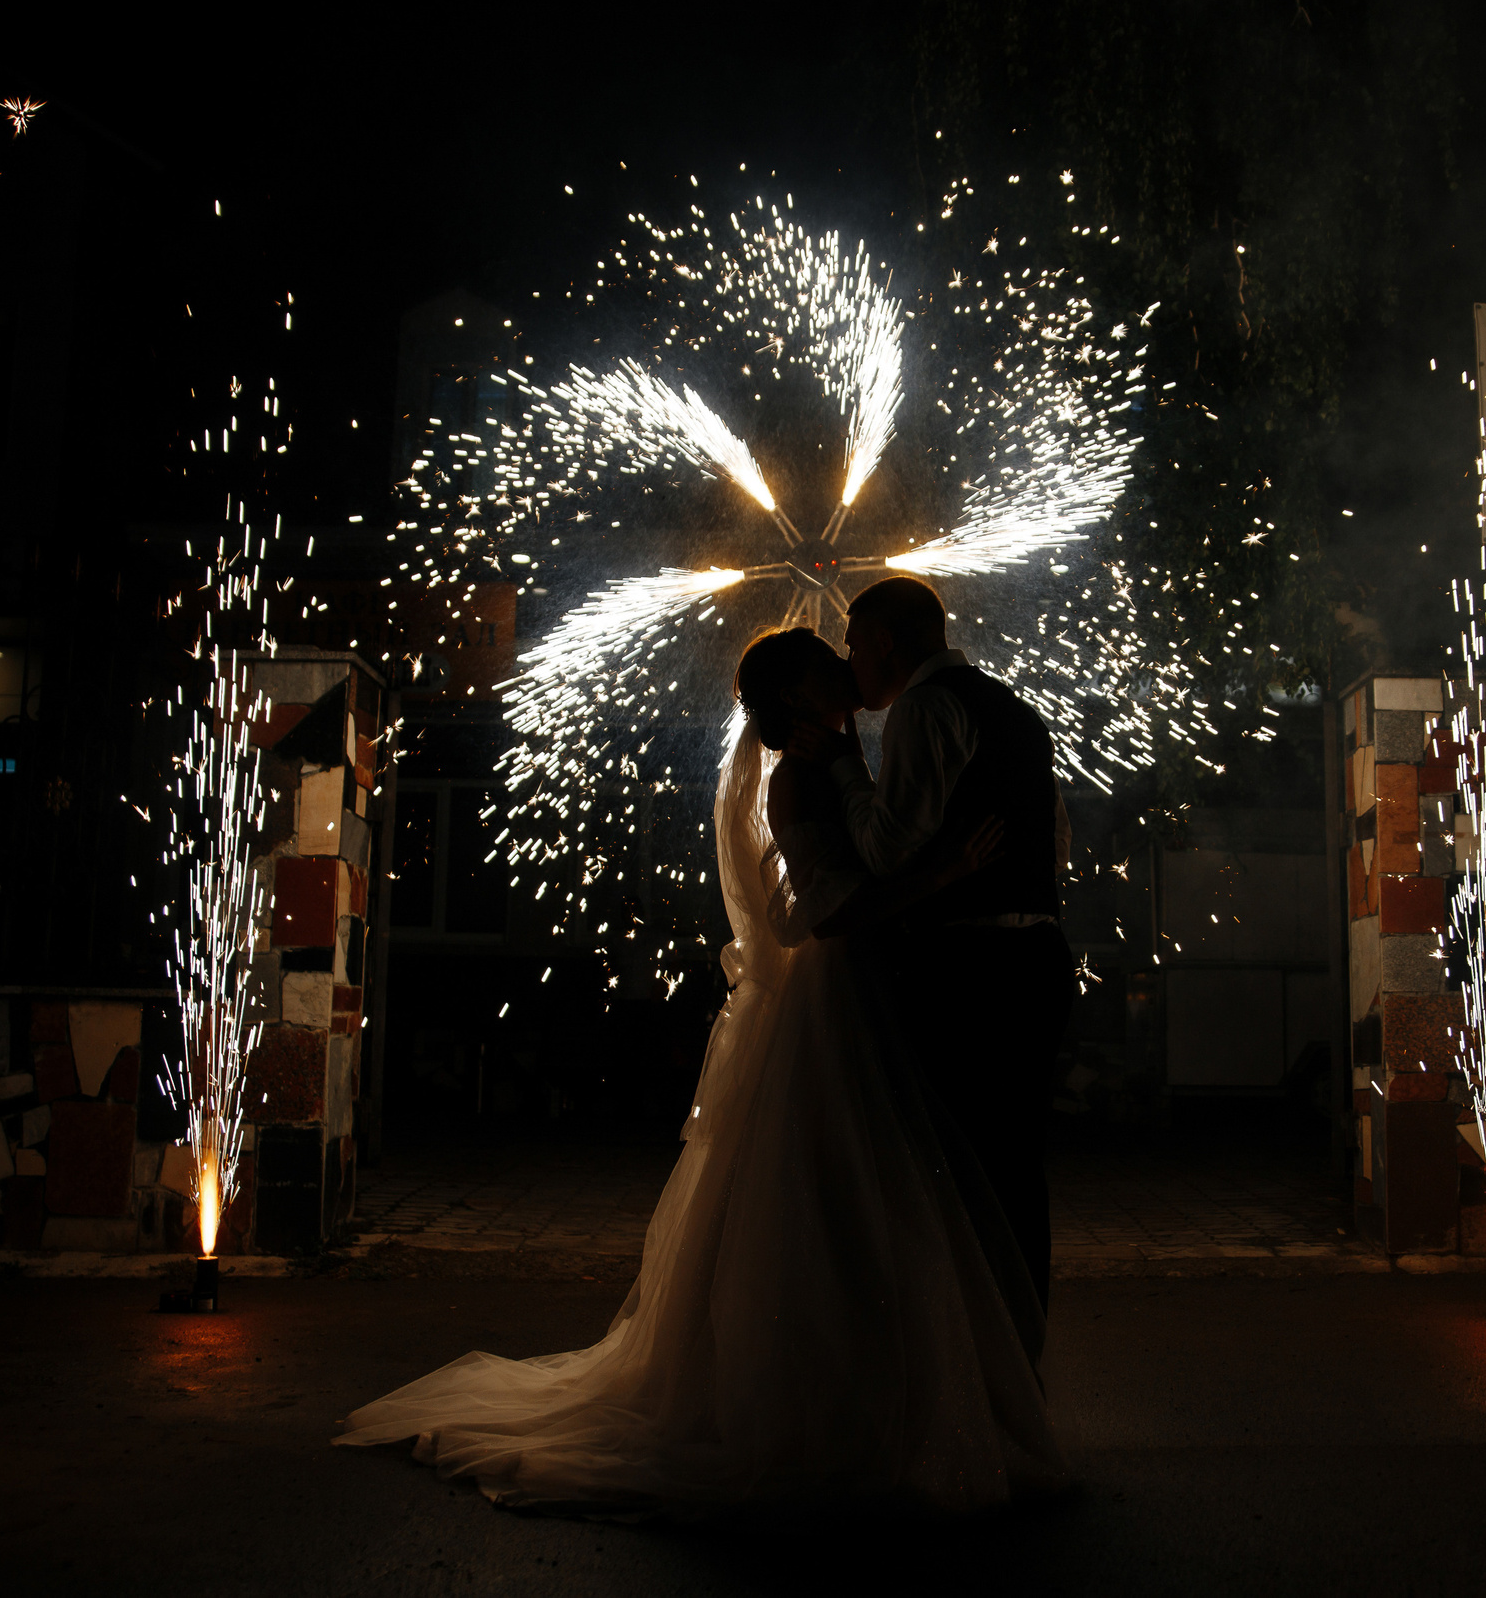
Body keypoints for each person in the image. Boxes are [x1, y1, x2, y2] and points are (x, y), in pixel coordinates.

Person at [336, 628, 1065, 1519]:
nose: (845, 660)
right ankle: (837, 1403)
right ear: (800, 697)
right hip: (832, 1005)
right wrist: (946, 871)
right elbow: (825, 917)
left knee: (872, 1195)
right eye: (823, 662)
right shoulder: (798, 777)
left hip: (863, 1000)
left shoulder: (831, 760)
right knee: (841, 1195)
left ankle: (887, 1390)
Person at [789, 576, 1076, 1333]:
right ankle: (1022, 1346)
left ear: (885, 639)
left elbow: (885, 851)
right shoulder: (1015, 712)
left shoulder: (924, 706)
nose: (849, 660)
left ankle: (974, 1353)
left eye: (854, 642)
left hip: (972, 969)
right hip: (1041, 955)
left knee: (959, 1167)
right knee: (1017, 1164)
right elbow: (1058, 843)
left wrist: (851, 764)